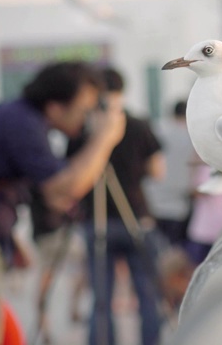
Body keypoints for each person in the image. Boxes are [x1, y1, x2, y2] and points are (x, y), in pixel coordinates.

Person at [0, 61, 126, 345]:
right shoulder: (22, 124)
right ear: (55, 106)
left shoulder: (18, 117)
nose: (87, 118)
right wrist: (104, 138)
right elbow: (62, 192)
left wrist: (11, 240)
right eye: (84, 109)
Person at [67, 67, 165, 345]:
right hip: (136, 217)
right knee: (147, 293)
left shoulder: (83, 130)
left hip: (97, 222)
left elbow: (71, 176)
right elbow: (158, 171)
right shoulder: (138, 125)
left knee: (101, 298)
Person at [144, 100, 196, 250]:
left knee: (155, 253)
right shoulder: (193, 138)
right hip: (180, 205)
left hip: (154, 203)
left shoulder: (157, 131)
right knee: (176, 253)